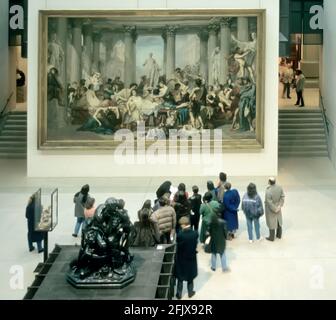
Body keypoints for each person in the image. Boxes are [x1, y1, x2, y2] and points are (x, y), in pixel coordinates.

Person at [174, 216, 198, 299]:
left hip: (181, 259)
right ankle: (190, 292)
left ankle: (179, 294)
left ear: (184, 225)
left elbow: (178, 246)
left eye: (181, 225)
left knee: (180, 278)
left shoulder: (180, 235)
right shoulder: (195, 234)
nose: (180, 226)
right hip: (191, 258)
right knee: (190, 277)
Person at [265, 177, 285, 241]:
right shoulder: (279, 187)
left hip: (271, 209)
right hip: (278, 207)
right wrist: (279, 206)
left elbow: (269, 202)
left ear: (269, 182)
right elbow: (282, 197)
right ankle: (279, 235)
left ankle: (271, 237)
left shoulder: (268, 191)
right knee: (278, 221)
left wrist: (274, 209)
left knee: (271, 222)